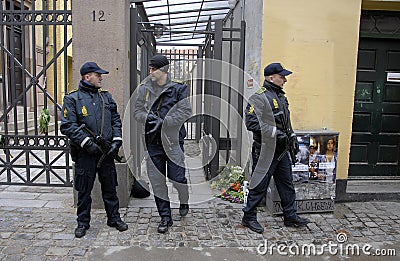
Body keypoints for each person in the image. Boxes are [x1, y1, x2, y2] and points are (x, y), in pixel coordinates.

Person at [61, 62, 128, 238]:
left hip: (105, 153)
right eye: (97, 75)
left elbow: (115, 120)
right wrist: (86, 143)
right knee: (84, 190)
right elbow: (68, 126)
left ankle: (114, 218)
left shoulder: (106, 98)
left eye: (101, 75)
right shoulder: (72, 99)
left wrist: (116, 141)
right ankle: (83, 222)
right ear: (87, 77)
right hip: (85, 153)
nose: (101, 78)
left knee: (110, 188)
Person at [242, 62, 310, 233]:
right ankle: (248, 217)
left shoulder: (281, 96)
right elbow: (251, 122)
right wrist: (274, 132)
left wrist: (292, 136)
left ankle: (290, 216)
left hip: (281, 151)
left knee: (286, 184)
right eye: (282, 77)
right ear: (271, 78)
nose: (285, 80)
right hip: (265, 150)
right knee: (259, 186)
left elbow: (286, 122)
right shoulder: (259, 97)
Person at [134, 55, 192, 233]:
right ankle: (165, 218)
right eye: (150, 68)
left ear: (163, 70)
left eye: (153, 69)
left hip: (173, 142)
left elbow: (185, 111)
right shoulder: (144, 89)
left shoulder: (178, 89)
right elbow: (137, 111)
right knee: (157, 182)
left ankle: (184, 199)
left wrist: (164, 122)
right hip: (153, 143)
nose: (150, 72)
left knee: (177, 178)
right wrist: (149, 118)